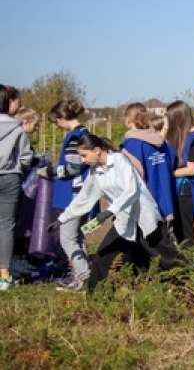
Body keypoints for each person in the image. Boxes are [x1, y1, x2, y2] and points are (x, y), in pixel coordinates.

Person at [47, 134, 181, 291]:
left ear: (97, 150)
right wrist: (63, 219)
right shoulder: (95, 173)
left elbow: (132, 190)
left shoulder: (119, 160)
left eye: (84, 155)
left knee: (166, 257)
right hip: (125, 222)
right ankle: (96, 295)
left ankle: (189, 283)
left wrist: (109, 211)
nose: (83, 160)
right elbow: (83, 198)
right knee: (103, 258)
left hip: (145, 218)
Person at [45, 99, 92, 289]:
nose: (56, 126)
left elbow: (73, 168)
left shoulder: (74, 137)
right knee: (78, 237)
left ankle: (83, 279)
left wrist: (51, 172)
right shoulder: (83, 133)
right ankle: (83, 276)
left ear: (62, 118)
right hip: (82, 193)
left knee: (67, 238)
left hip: (74, 194)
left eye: (56, 122)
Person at [0, 85, 34, 291]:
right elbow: (26, 157)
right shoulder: (16, 128)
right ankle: (4, 276)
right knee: (5, 225)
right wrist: (17, 168)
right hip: (9, 177)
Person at [120, 103, 176, 222]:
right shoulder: (161, 141)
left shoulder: (131, 145)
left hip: (145, 205)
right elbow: (171, 163)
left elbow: (130, 178)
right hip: (166, 200)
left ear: (129, 120)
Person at [165, 100, 194, 244]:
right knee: (179, 232)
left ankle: (192, 263)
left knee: (187, 233)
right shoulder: (183, 137)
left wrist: (169, 174)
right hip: (180, 190)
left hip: (187, 191)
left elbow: (191, 169)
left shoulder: (192, 139)